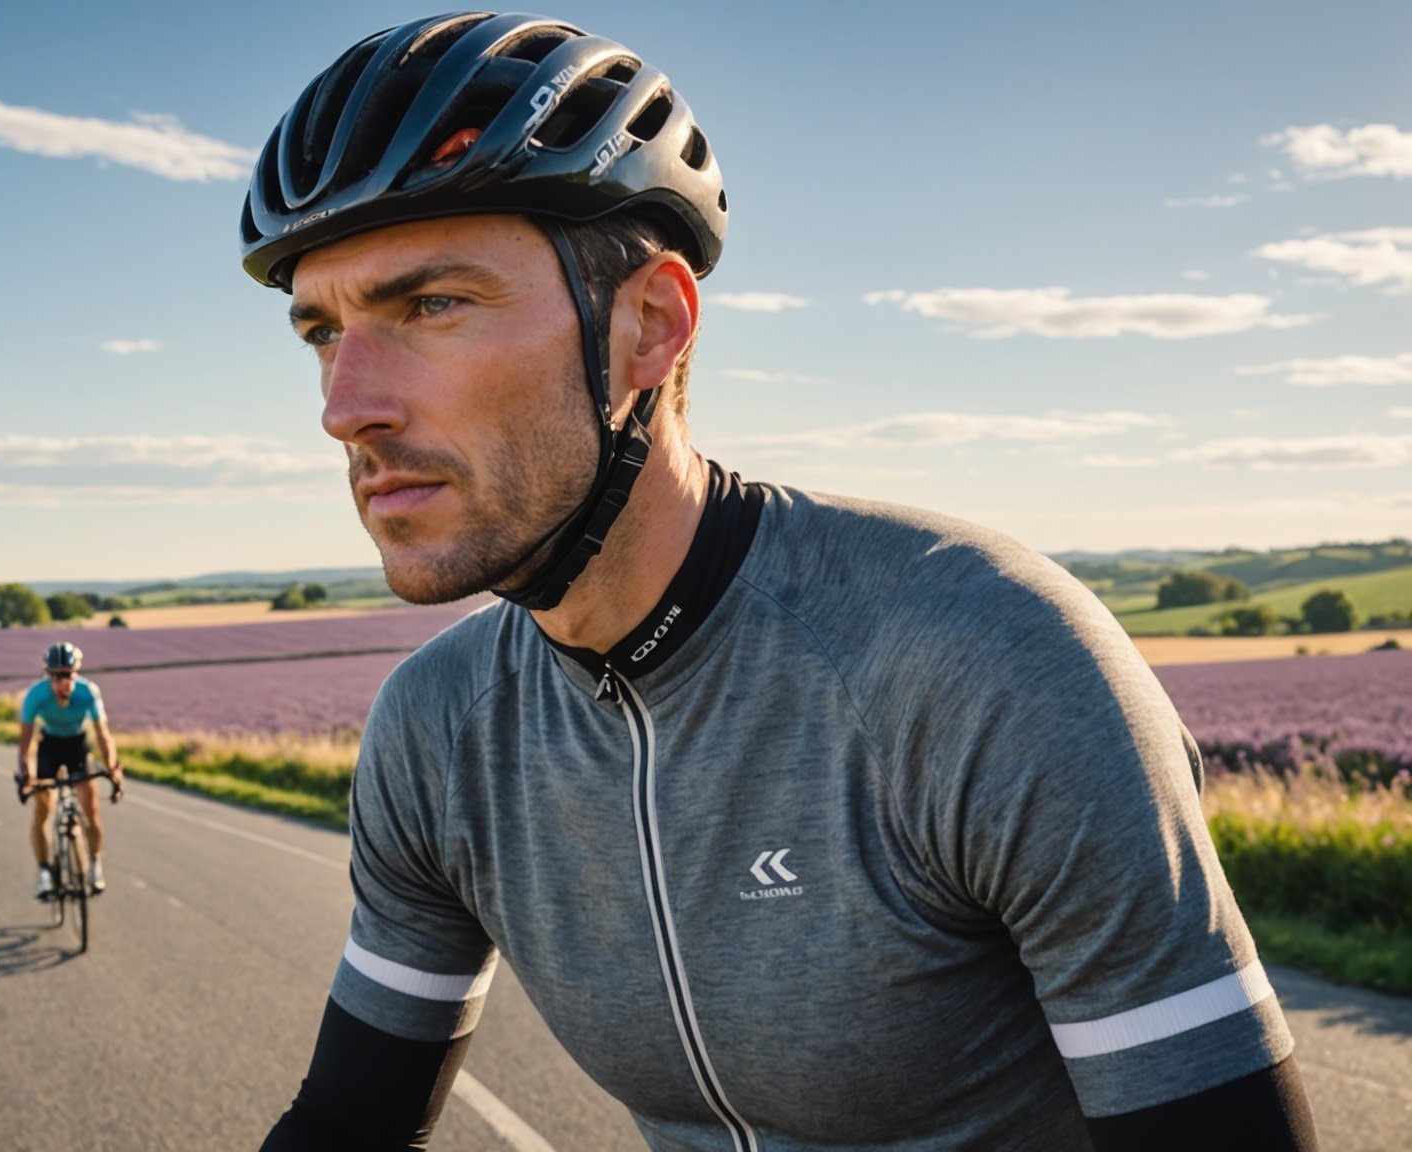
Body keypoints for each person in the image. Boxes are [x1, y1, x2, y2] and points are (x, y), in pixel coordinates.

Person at [240, 12, 1316, 1151]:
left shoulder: (984, 664)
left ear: (649, 325)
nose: (345, 407)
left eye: (431, 306)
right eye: (322, 332)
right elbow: (348, 1123)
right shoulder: (438, 731)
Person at [16, 642, 123, 898]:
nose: (63, 682)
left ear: (76, 674)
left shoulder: (88, 692)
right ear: (47, 675)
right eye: (56, 676)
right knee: (43, 809)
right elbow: (26, 742)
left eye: (68, 675)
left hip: (77, 746)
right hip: (49, 746)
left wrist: (112, 768)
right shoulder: (35, 695)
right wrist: (27, 775)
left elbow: (103, 734)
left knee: (91, 810)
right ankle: (44, 870)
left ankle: (94, 865)